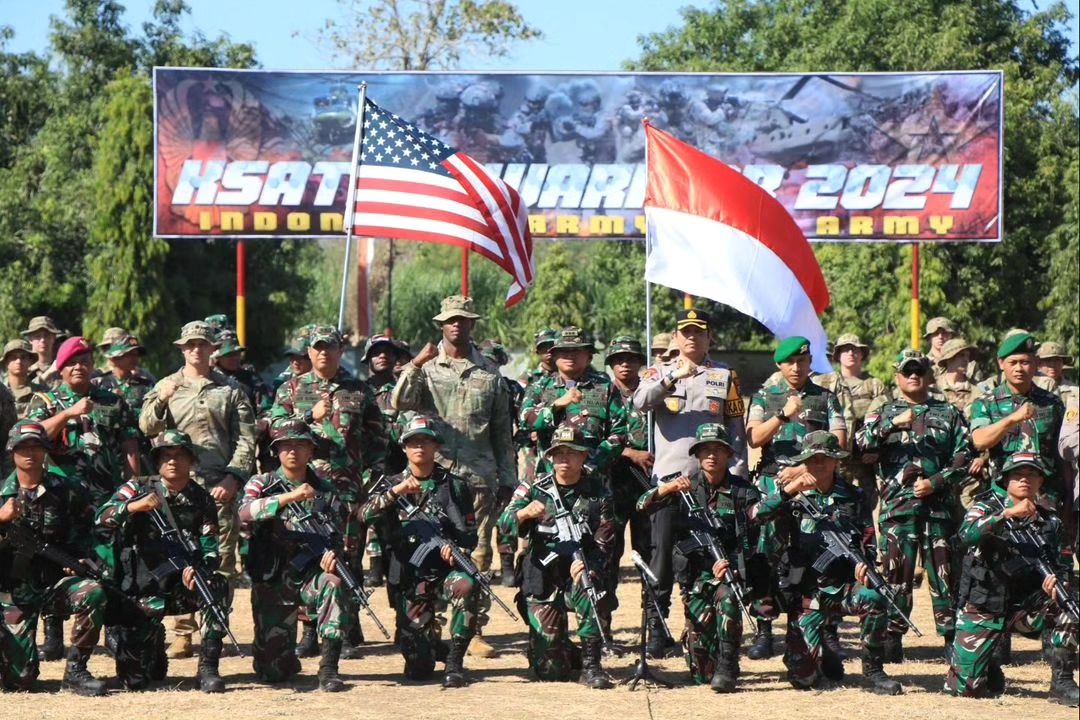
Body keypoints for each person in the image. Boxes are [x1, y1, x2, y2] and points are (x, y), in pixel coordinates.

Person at [392, 294, 516, 659]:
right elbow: (399, 402)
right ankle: (428, 627)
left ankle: (472, 629)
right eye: (450, 320)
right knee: (427, 551)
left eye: (463, 319)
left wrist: (508, 479)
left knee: (477, 555)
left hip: (478, 477)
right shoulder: (428, 369)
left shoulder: (490, 374)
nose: (456, 325)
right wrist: (415, 363)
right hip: (435, 479)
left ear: (472, 324)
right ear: (441, 325)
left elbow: (502, 433)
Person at [750, 431, 902, 695]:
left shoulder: (853, 495)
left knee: (873, 597)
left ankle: (874, 670)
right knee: (803, 679)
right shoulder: (792, 494)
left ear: (836, 461)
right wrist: (788, 491)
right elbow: (755, 516)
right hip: (807, 591)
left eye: (825, 458)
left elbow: (868, 538)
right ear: (803, 463)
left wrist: (865, 567)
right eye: (812, 459)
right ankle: (821, 654)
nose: (818, 464)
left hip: (844, 586)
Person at [633, 308, 747, 658]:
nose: (692, 337)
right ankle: (657, 628)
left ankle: (700, 627)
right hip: (670, 483)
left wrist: (738, 476)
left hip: (710, 484)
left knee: (707, 553)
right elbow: (639, 402)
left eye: (699, 332)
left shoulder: (725, 376)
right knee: (662, 556)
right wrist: (672, 378)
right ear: (676, 338)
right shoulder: (659, 372)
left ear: (709, 337)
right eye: (686, 332)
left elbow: (735, 430)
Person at [140, 320, 256, 659]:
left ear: (211, 349)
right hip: (179, 488)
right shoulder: (166, 385)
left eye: (201, 344)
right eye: (189, 345)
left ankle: (214, 628)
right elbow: (146, 426)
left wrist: (234, 477)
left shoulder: (231, 390)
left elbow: (246, 439)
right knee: (180, 556)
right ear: (182, 349)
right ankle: (183, 631)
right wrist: (161, 400)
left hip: (219, 487)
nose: (195, 350)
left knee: (221, 560)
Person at [270, 324, 386, 657]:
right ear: (309, 352)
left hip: (347, 491)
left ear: (340, 351)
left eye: (330, 347)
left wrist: (371, 477)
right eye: (317, 347)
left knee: (347, 556)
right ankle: (309, 629)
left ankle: (345, 628)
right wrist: (309, 416)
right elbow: (275, 430)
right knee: (308, 556)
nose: (323, 353)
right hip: (306, 492)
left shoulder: (359, 390)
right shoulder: (291, 389)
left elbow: (378, 437)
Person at [27, 335, 141, 662]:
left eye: (85, 362)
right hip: (60, 502)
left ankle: (113, 632)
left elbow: (130, 445)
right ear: (61, 368)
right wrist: (68, 414)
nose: (79, 367)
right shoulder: (46, 401)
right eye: (72, 363)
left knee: (110, 562)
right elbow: (32, 436)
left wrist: (132, 486)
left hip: (105, 498)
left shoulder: (112, 401)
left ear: (93, 366)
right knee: (57, 561)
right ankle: (53, 635)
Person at [95, 430, 230, 692]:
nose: (172, 461)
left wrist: (200, 570)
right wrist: (132, 507)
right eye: (166, 456)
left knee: (216, 586)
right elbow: (101, 517)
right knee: (136, 681)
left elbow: (210, 546)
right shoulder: (136, 488)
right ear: (156, 461)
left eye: (180, 455)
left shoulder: (202, 498)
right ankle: (152, 641)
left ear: (191, 461)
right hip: (140, 588)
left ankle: (208, 668)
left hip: (181, 585)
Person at [858, 350, 972, 661]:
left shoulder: (949, 412)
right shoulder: (884, 411)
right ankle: (892, 638)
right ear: (897, 376)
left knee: (945, 576)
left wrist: (936, 481)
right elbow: (861, 444)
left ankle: (950, 638)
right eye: (907, 371)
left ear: (929, 375)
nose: (913, 376)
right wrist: (892, 424)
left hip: (939, 509)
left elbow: (964, 456)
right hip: (898, 510)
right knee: (896, 575)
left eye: (919, 371)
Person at [945, 452, 1078, 705]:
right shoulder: (985, 508)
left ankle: (1062, 682)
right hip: (985, 604)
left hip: (1026, 608)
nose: (1025, 479)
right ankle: (987, 665)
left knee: (1068, 604)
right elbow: (965, 536)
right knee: (965, 689)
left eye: (1032, 474)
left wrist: (1057, 584)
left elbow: (1064, 566)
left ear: (1041, 481)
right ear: (1005, 480)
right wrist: (1005, 515)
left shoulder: (1051, 521)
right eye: (1018, 475)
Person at [636, 423, 759, 691]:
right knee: (701, 675)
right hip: (695, 578)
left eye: (718, 449)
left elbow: (753, 538)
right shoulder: (684, 487)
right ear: (697, 455)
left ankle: (728, 665)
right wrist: (666, 489)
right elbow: (642, 504)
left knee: (728, 597)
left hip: (727, 573)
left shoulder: (743, 491)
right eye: (705, 450)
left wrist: (734, 564)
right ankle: (705, 651)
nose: (711, 455)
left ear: (729, 454)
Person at [744, 335, 845, 661]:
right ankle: (764, 629)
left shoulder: (825, 398)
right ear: (779, 365)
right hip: (774, 488)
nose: (797, 367)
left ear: (810, 362)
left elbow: (840, 442)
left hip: (814, 487)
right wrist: (783, 416)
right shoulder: (765, 396)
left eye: (802, 361)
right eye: (790, 362)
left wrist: (804, 468)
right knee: (766, 557)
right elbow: (754, 437)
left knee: (817, 558)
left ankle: (823, 629)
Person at [361, 416, 482, 687]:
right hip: (409, 575)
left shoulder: (455, 486)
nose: (419, 447)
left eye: (426, 441)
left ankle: (454, 663)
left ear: (436, 446)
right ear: (404, 448)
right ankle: (432, 645)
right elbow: (364, 515)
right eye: (413, 442)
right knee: (418, 669)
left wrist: (457, 549)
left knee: (466, 585)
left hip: (444, 571)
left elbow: (470, 535)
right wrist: (396, 492)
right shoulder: (389, 484)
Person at [497, 422, 615, 689]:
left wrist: (589, 565)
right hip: (543, 575)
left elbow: (606, 541)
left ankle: (591, 665)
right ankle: (562, 648)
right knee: (550, 672)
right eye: (558, 453)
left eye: (571, 453)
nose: (564, 459)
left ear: (584, 456)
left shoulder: (598, 492)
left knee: (589, 585)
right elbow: (503, 524)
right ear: (550, 457)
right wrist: (523, 514)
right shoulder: (533, 486)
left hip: (579, 571)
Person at [238, 418, 352, 691]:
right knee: (273, 674)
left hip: (311, 576)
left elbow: (340, 535)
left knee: (333, 584)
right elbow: (244, 513)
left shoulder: (326, 491)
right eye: (285, 445)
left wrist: (334, 555)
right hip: (273, 578)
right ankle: (283, 657)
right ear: (276, 451)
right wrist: (289, 498)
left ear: (311, 450)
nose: (293, 451)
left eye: (300, 445)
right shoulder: (261, 482)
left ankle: (329, 669)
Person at [0, 420, 108, 695]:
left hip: (53, 583)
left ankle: (76, 672)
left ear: (46, 451)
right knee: (19, 682)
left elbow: (88, 532)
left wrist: (80, 558)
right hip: (11, 593)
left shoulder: (68, 490)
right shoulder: (1, 493)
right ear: (12, 451)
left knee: (92, 591)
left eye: (37, 446)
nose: (30, 453)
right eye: (23, 447)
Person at [518, 326, 629, 474]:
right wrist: (555, 406)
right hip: (550, 475)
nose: (570, 356)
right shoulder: (539, 387)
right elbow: (525, 420)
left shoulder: (605, 388)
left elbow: (619, 432)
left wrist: (592, 463)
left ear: (589, 357)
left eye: (576, 351)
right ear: (554, 356)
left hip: (592, 476)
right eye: (564, 351)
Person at [970, 333, 1065, 488]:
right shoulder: (986, 402)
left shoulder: (1052, 403)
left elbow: (1062, 453)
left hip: (1045, 491)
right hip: (1003, 491)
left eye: (1025, 362)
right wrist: (1013, 419)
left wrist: (1069, 494)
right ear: (1001, 364)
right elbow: (980, 441)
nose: (1019, 368)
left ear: (1036, 363)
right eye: (1013, 363)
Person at [815, 333, 888, 520]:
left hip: (865, 458)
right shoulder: (825, 383)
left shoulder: (874, 385)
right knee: (834, 503)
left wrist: (876, 449)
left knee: (871, 504)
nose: (851, 353)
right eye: (845, 350)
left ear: (862, 354)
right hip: (834, 456)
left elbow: (887, 421)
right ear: (837, 355)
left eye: (855, 350)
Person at [603, 335, 654, 592]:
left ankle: (652, 608)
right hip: (612, 481)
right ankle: (605, 608)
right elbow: (594, 438)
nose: (625, 364)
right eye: (619, 359)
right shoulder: (602, 393)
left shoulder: (651, 393)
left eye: (631, 359)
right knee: (608, 549)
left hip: (646, 481)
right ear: (611, 363)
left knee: (648, 549)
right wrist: (630, 453)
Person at [93, 333, 158, 417]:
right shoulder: (99, 384)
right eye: (129, 354)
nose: (135, 359)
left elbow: (154, 413)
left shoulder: (146, 385)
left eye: (136, 355)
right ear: (114, 358)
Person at [213, 330, 273, 416]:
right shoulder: (209, 377)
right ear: (217, 357)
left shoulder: (250, 376)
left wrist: (262, 421)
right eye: (229, 355)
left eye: (237, 353)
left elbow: (265, 410)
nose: (235, 358)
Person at [935, 337, 981, 416]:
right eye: (961, 355)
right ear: (948, 359)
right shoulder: (934, 387)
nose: (966, 359)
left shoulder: (977, 390)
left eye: (967, 356)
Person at [3, 339, 43, 419]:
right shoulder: (1, 391)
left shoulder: (41, 392)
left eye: (23, 357)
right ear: (6, 362)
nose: (19, 361)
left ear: (30, 361)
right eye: (13, 357)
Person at [21, 315, 63, 389]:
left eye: (47, 336)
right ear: (30, 339)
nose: (43, 340)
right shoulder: (22, 368)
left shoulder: (63, 367)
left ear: (54, 338)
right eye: (37, 336)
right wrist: (48, 373)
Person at [1037, 342, 1078, 407]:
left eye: (1057, 360)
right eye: (1048, 360)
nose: (1053, 365)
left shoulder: (1075, 391)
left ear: (1063, 363)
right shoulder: (1029, 387)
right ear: (1039, 364)